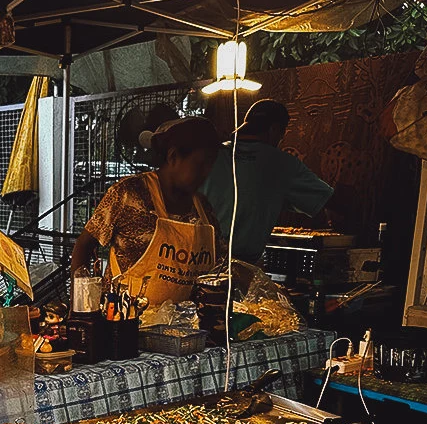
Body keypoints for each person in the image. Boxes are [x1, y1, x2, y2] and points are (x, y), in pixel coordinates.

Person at [72, 116, 221, 288]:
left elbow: (218, 261)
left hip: (183, 314)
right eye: (200, 164)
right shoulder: (128, 194)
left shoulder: (203, 208)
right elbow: (83, 246)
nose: (206, 172)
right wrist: (81, 304)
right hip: (123, 313)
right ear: (173, 157)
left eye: (210, 165)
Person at [201, 99, 334, 265]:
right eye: (281, 135)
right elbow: (330, 201)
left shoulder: (212, 155)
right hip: (240, 265)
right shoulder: (281, 164)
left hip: (197, 259)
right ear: (274, 130)